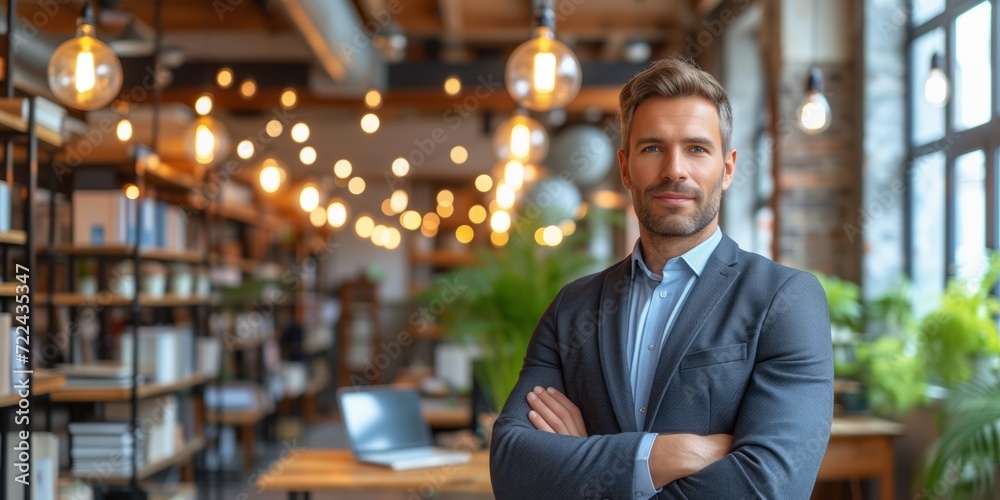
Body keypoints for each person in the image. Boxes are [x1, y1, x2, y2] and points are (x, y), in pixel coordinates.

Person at [489, 56, 833, 499]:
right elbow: (513, 467)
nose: (675, 169)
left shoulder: (786, 300)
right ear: (625, 167)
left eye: (696, 148)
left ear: (727, 168)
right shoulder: (571, 308)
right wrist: (654, 458)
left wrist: (590, 465)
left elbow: (768, 486)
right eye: (653, 147)